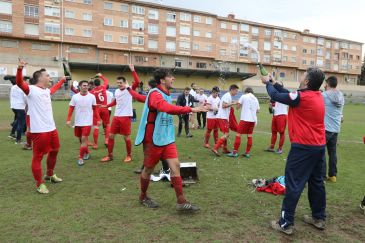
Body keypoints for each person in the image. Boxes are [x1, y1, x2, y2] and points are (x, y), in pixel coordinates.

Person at [261, 67, 326, 235]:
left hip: (303, 148)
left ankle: (285, 223)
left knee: (294, 184)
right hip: (318, 147)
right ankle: (319, 218)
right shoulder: (316, 95)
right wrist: (275, 83)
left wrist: (267, 84)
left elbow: (276, 96)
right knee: (316, 182)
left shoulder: (301, 97)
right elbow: (290, 94)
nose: (301, 76)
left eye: (303, 75)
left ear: (307, 81)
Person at [135, 69, 206, 211]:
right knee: (148, 169)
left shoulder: (167, 93)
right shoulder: (155, 93)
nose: (173, 78)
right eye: (170, 77)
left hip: (167, 138)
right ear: (162, 80)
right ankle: (143, 196)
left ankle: (181, 201)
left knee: (176, 166)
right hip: (153, 138)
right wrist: (191, 110)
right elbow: (164, 107)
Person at [16, 60, 65, 194]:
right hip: (39, 131)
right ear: (40, 78)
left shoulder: (46, 91)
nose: (50, 77)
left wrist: (61, 81)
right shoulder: (31, 89)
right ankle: (40, 184)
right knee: (38, 157)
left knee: (55, 150)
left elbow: (54, 89)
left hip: (52, 128)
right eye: (48, 75)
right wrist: (20, 68)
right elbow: (20, 83)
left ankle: (49, 175)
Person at [66, 80, 100, 166]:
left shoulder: (92, 96)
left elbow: (95, 108)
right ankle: (87, 153)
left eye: (87, 85)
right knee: (81, 140)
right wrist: (68, 119)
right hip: (78, 122)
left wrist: (98, 119)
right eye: (84, 85)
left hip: (87, 122)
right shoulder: (75, 97)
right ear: (80, 87)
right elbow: (71, 108)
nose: (86, 87)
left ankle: (80, 158)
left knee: (84, 139)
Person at [101, 76, 133, 163]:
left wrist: (133, 71)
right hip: (116, 116)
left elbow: (137, 82)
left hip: (126, 117)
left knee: (126, 137)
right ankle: (110, 155)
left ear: (125, 82)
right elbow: (115, 101)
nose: (119, 84)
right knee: (111, 136)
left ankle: (129, 155)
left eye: (120, 83)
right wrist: (106, 105)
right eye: (117, 83)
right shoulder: (116, 91)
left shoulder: (129, 89)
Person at [322, 76, 344, 183]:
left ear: (328, 84)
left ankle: (322, 175)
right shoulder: (341, 95)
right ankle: (333, 175)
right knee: (332, 152)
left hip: (325, 128)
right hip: (336, 129)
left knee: (321, 152)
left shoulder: (324, 95)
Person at [228, 87, 260, 158]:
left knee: (238, 135)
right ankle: (247, 152)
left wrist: (238, 103)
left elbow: (237, 107)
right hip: (253, 120)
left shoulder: (244, 96)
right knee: (249, 136)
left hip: (245, 119)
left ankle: (235, 152)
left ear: (246, 92)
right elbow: (258, 111)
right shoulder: (255, 98)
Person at [211, 84, 239, 156]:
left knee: (225, 134)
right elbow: (224, 106)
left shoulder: (228, 96)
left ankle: (224, 149)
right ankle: (215, 148)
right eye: (236, 91)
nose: (236, 92)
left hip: (222, 117)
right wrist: (233, 103)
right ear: (232, 90)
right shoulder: (227, 95)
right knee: (226, 134)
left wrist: (232, 102)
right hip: (222, 117)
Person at [266, 81, 288, 154]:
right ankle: (272, 147)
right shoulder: (274, 96)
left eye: (278, 84)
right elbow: (271, 111)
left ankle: (280, 148)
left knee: (281, 133)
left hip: (282, 115)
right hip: (275, 115)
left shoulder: (285, 94)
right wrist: (270, 107)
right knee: (273, 132)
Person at [91, 74, 110, 149]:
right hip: (104, 108)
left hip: (97, 109)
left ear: (94, 84)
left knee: (96, 127)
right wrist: (101, 75)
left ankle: (95, 144)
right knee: (107, 125)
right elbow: (106, 81)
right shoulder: (103, 87)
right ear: (100, 83)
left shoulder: (92, 92)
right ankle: (107, 140)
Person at [10, 76, 27, 144]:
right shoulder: (22, 87)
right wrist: (26, 105)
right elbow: (25, 98)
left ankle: (12, 133)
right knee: (21, 123)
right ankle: (18, 139)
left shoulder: (13, 87)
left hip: (14, 106)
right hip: (20, 107)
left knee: (17, 120)